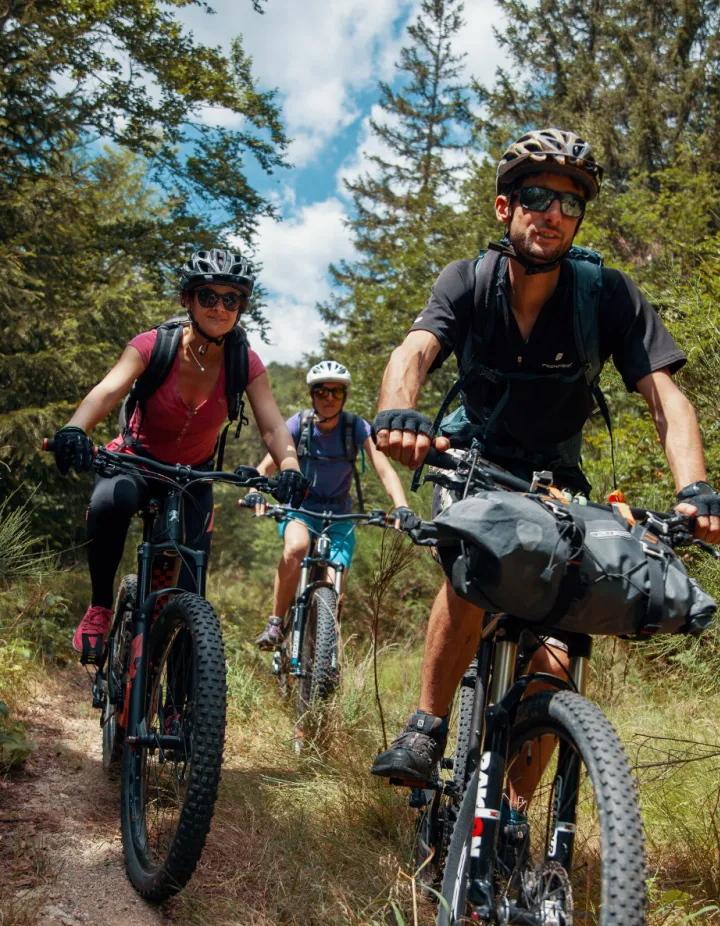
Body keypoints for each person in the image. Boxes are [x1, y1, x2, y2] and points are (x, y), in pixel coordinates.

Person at [369, 128, 720, 825]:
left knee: (557, 656)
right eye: (535, 196)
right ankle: (426, 726)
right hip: (469, 462)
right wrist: (399, 413)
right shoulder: (467, 281)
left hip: (555, 482)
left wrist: (694, 491)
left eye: (568, 202)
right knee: (478, 557)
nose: (552, 212)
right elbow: (414, 351)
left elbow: (665, 399)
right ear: (506, 208)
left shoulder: (607, 295)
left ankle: (509, 811)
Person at [51, 248, 306, 663]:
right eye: (208, 296)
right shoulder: (154, 345)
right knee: (109, 502)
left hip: (192, 477)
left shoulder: (246, 363)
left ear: (242, 306)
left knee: (189, 590)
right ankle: (100, 607)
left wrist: (290, 465)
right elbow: (108, 391)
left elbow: (274, 426)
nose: (220, 308)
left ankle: (178, 708)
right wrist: (74, 428)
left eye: (231, 299)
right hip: (136, 459)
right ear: (187, 300)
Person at [252, 360, 410, 649]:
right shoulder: (298, 425)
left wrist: (401, 507)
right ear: (312, 395)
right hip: (301, 509)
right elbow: (266, 467)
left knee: (336, 575)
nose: (328, 399)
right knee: (296, 548)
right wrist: (256, 493)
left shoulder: (355, 427)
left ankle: (327, 649)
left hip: (340, 514)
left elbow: (385, 470)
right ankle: (275, 623)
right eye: (322, 392)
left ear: (344, 397)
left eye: (336, 393)